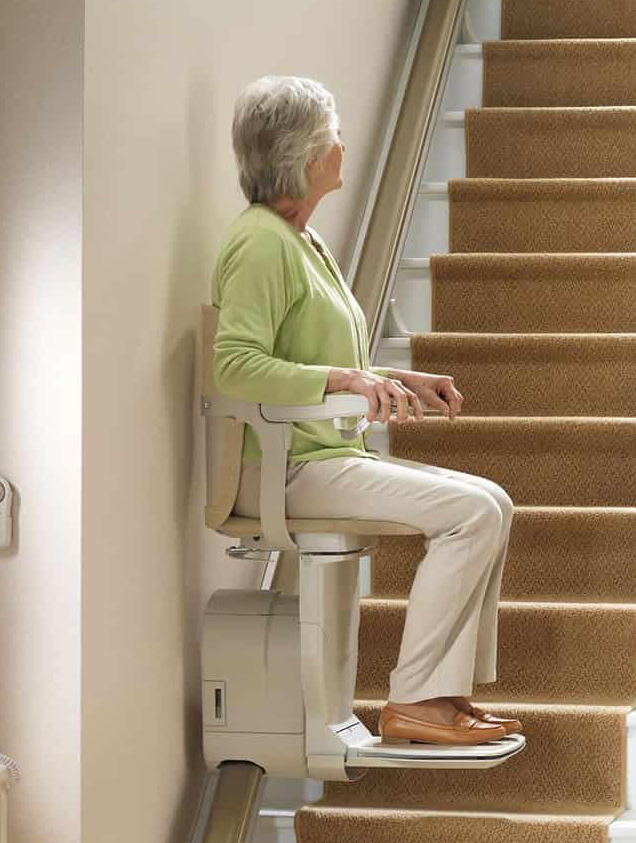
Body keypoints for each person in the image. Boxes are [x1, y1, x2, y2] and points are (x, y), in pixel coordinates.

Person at [211, 76, 517, 747]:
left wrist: (392, 377)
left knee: (492, 500)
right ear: (308, 154)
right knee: (470, 513)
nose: (343, 146)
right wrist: (346, 376)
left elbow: (308, 360)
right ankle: (415, 701)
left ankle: (446, 693)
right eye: (333, 136)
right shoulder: (261, 243)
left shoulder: (302, 242)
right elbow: (234, 365)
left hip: (327, 455)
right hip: (287, 470)